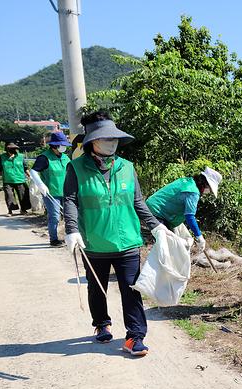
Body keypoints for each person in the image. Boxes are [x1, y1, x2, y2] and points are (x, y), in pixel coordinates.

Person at [63, 110, 167, 357]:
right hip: (95, 243)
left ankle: (135, 336)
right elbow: (70, 200)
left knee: (132, 290)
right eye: (106, 138)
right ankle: (101, 324)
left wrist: (156, 226)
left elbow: (138, 201)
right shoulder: (76, 168)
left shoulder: (127, 167)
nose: (112, 142)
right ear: (92, 142)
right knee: (97, 288)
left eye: (114, 138)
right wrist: (72, 230)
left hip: (128, 241)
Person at [145, 167, 222, 253]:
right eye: (210, 190)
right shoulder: (193, 192)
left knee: (172, 245)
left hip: (156, 208)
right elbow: (189, 216)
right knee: (165, 248)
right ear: (205, 184)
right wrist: (199, 237)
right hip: (157, 212)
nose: (208, 192)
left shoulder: (187, 181)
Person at [29, 132, 72, 246]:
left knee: (70, 216)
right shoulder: (44, 157)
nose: (64, 147)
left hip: (67, 192)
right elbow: (33, 171)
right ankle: (53, 240)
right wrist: (41, 185)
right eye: (62, 145)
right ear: (54, 145)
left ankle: (70, 237)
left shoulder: (65, 157)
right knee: (55, 216)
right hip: (51, 193)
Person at [0, 142, 31, 215]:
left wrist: (30, 176)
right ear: (7, 150)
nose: (12, 151)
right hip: (7, 180)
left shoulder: (21, 156)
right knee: (9, 195)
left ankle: (23, 210)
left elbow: (25, 168)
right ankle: (10, 211)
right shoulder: (2, 157)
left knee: (22, 195)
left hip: (20, 179)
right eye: (10, 150)